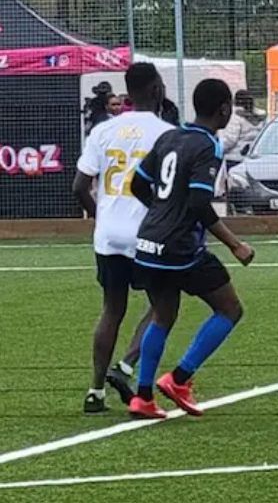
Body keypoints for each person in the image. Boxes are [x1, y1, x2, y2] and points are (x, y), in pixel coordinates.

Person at [126, 78, 256, 418]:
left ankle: (142, 396)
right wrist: (235, 245)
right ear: (224, 109)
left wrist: (161, 211)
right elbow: (199, 203)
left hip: (148, 242)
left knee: (163, 315)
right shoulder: (208, 145)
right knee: (229, 309)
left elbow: (137, 183)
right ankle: (180, 378)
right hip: (179, 246)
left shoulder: (169, 136)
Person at [72, 62, 175, 414]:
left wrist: (101, 217)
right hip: (147, 232)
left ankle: (95, 390)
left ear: (128, 92)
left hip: (109, 234)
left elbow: (79, 186)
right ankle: (127, 366)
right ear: (156, 90)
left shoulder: (104, 130)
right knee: (163, 306)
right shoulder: (166, 133)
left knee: (112, 309)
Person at [220, 92, 261, 168]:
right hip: (251, 158)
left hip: (234, 158)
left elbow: (230, 139)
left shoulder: (235, 117)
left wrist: (217, 148)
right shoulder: (258, 118)